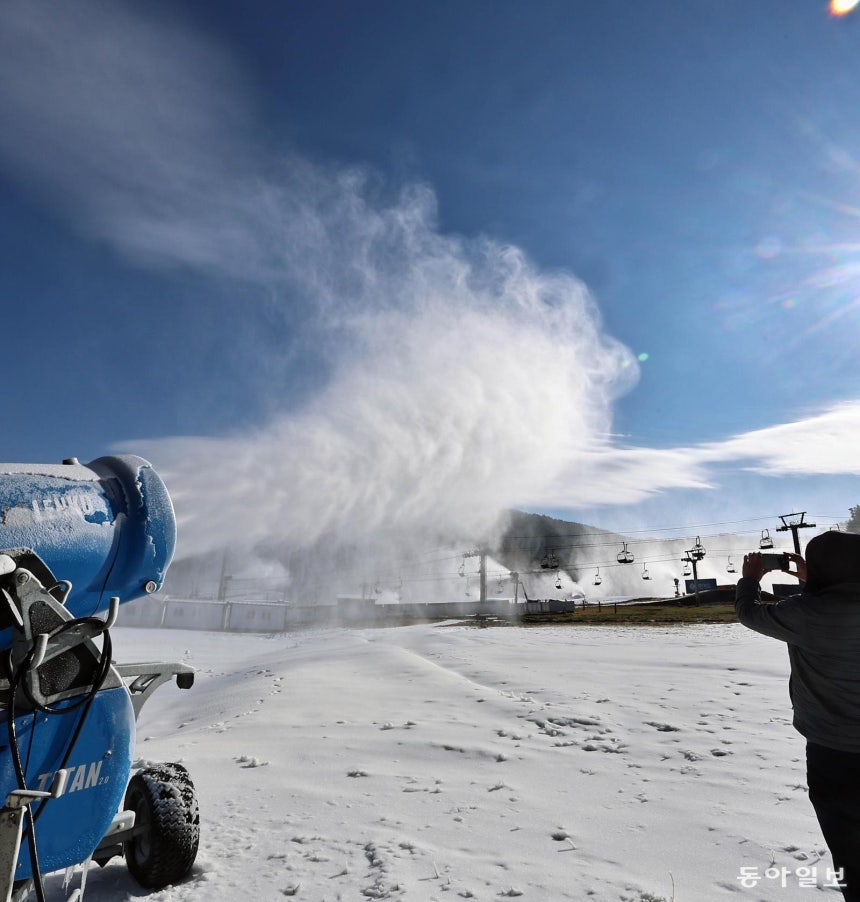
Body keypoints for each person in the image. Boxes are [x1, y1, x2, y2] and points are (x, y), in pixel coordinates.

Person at [736, 530, 860, 902]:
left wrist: (750, 580)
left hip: (832, 753)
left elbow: (748, 613)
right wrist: (814, 582)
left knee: (850, 853)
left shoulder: (803, 613)